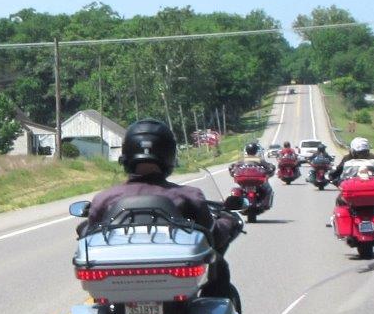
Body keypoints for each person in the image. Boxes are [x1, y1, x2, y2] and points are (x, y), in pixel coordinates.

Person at [78, 119, 242, 300]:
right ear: (170, 155)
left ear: (126, 155)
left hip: (116, 289)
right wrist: (228, 220)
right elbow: (213, 235)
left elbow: (90, 235)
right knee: (218, 266)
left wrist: (83, 227)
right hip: (179, 292)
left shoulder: (104, 199)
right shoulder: (189, 196)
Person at [229, 142, 275, 206]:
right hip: (256, 181)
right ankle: (264, 203)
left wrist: (233, 171)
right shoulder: (259, 159)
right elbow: (268, 167)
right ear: (256, 151)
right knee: (268, 189)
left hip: (244, 182)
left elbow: (233, 168)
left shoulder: (242, 160)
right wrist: (270, 170)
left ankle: (238, 203)